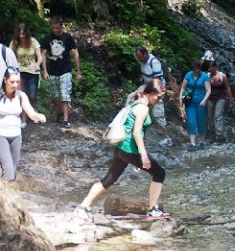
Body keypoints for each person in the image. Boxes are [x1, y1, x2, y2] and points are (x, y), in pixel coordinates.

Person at [75, 79, 170, 223]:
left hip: (121, 149)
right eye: (158, 97)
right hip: (130, 149)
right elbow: (137, 133)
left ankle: (82, 208)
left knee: (109, 179)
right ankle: (153, 209)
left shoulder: (136, 103)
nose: (159, 100)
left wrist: (136, 160)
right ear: (150, 93)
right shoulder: (143, 108)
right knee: (159, 173)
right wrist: (142, 156)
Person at [0, 66, 46, 183]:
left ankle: (10, 193)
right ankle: (4, 199)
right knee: (8, 170)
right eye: (12, 82)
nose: (15, 85)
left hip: (16, 135)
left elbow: (31, 113)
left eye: (17, 82)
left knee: (13, 171)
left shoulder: (21, 95)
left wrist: (38, 116)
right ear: (5, 80)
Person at [41, 15, 81, 129]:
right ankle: (60, 112)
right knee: (55, 96)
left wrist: (78, 72)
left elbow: (75, 53)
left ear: (61, 26)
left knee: (65, 95)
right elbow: (43, 54)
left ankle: (65, 120)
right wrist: (44, 71)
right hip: (53, 70)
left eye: (57, 28)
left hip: (65, 70)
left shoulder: (67, 37)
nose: (55, 30)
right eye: (53, 28)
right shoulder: (48, 37)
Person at [135, 46, 172, 146]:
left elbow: (157, 82)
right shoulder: (143, 61)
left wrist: (147, 92)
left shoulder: (154, 63)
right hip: (148, 85)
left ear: (145, 54)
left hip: (157, 88)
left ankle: (167, 138)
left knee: (157, 113)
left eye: (139, 56)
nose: (138, 59)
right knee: (132, 98)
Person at [9, 23, 43, 129]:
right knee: (22, 96)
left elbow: (40, 57)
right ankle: (23, 120)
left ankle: (34, 112)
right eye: (20, 34)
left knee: (32, 96)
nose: (21, 36)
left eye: (23, 34)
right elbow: (8, 54)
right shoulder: (15, 43)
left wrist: (38, 64)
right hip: (20, 72)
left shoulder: (33, 42)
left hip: (33, 72)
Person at [178, 61, 211, 151]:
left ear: (199, 68)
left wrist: (204, 100)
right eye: (193, 69)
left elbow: (208, 90)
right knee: (191, 121)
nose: (194, 71)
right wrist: (180, 97)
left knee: (201, 122)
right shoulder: (188, 75)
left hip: (201, 102)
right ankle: (192, 143)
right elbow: (183, 87)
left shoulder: (205, 76)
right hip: (190, 102)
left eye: (195, 69)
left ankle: (202, 142)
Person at [206, 61, 234, 143]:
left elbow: (228, 88)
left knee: (218, 115)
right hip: (210, 98)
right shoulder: (207, 76)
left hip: (220, 98)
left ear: (215, 67)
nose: (209, 69)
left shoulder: (222, 76)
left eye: (210, 68)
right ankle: (212, 134)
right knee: (210, 116)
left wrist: (231, 100)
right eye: (209, 68)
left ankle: (219, 135)